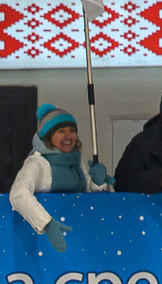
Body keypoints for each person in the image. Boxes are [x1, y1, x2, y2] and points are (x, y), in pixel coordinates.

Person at [10, 104, 108, 250]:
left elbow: (89, 198)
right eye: (61, 131)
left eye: (72, 131)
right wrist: (46, 223)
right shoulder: (37, 163)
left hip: (79, 237)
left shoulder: (77, 162)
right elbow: (18, 194)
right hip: (44, 240)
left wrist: (97, 183)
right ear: (49, 137)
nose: (68, 136)